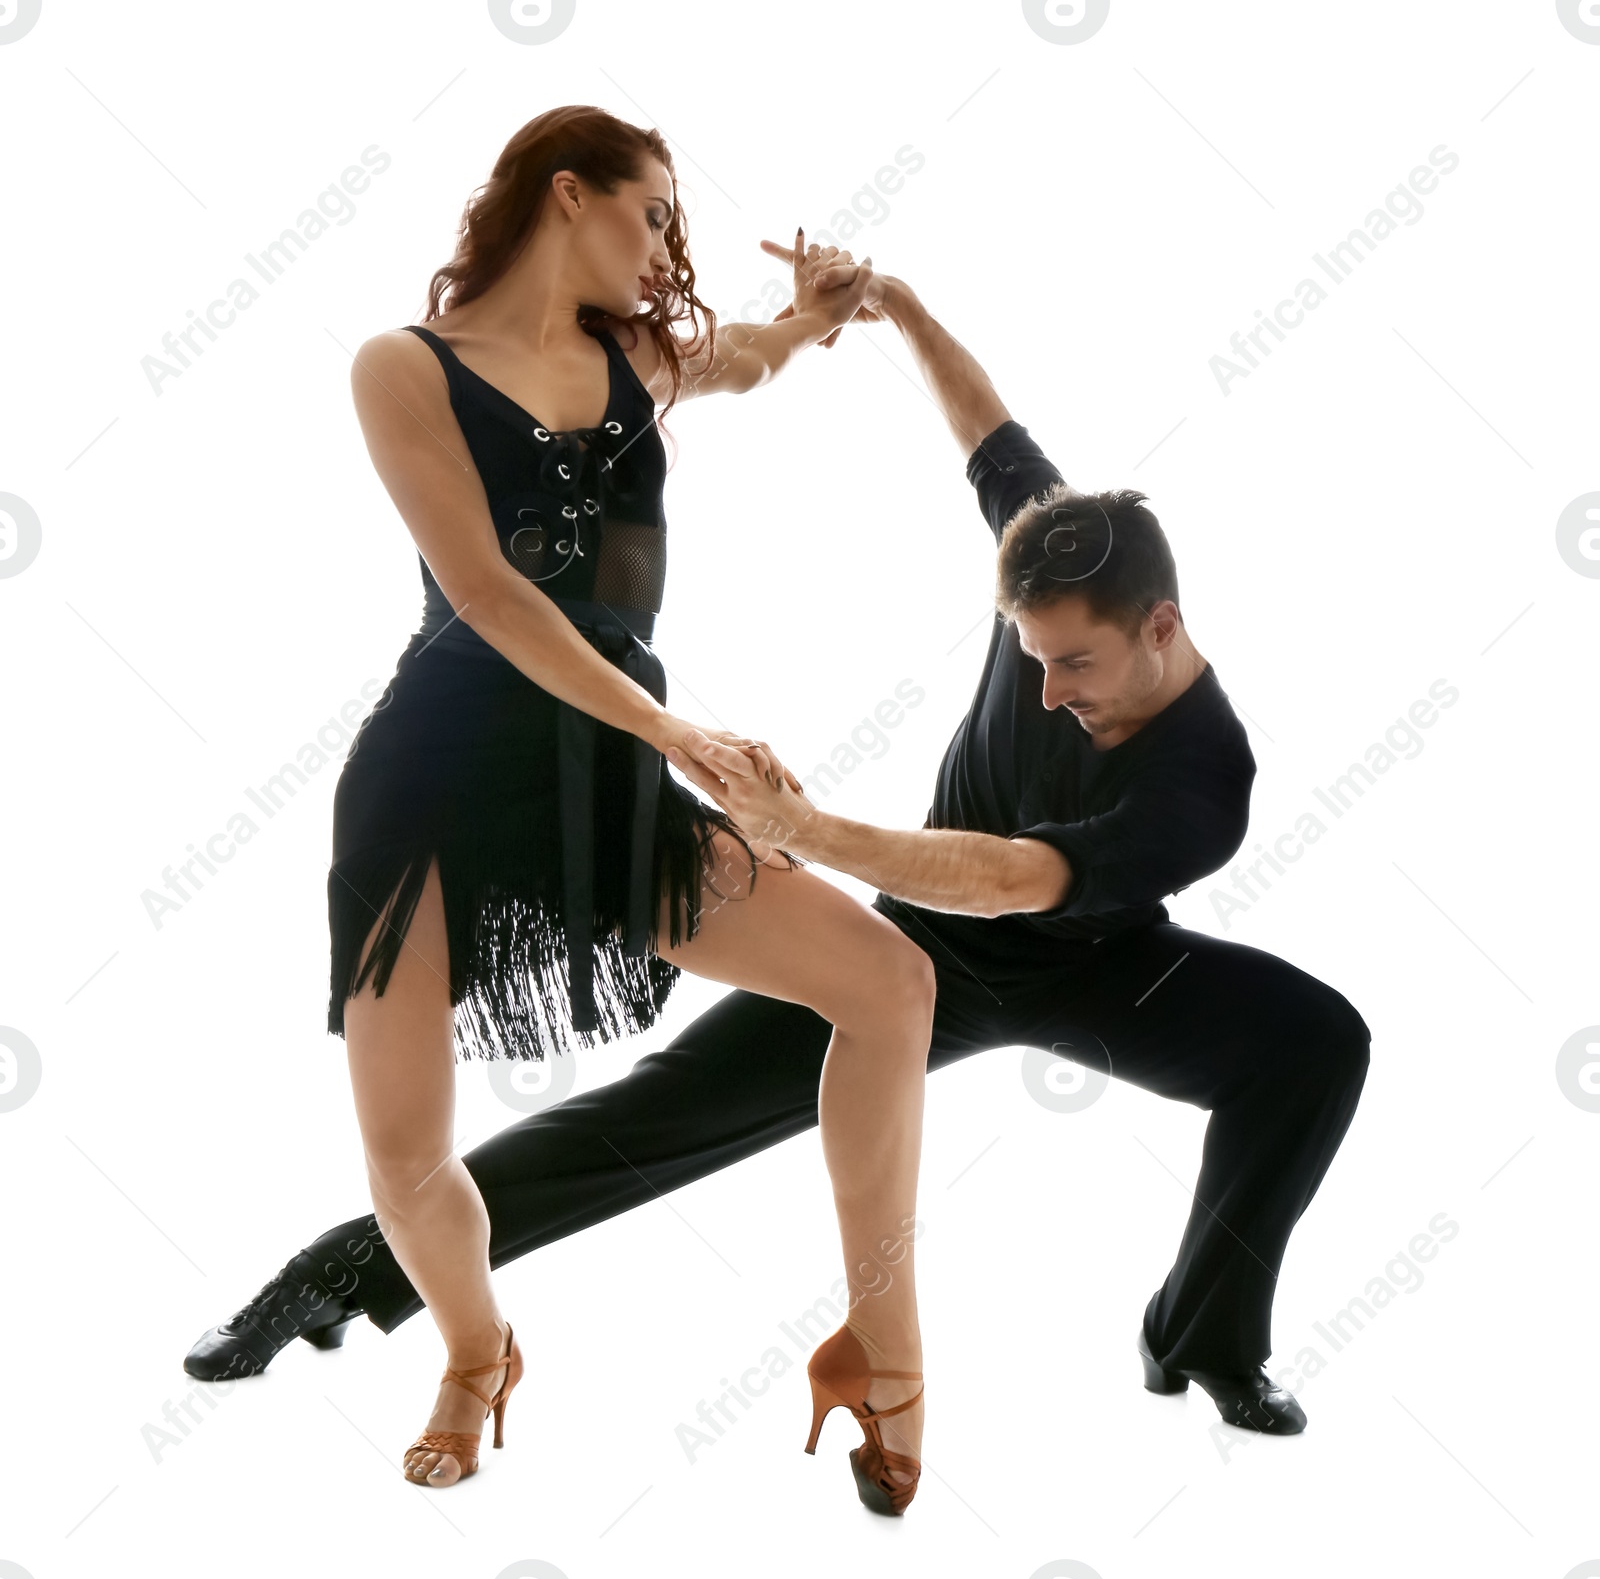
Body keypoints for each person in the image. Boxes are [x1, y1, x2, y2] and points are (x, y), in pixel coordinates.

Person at [187, 244, 1372, 1453]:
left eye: (1076, 667)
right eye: (1031, 658)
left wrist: (804, 832)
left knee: (1315, 1046)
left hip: (1096, 961)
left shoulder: (1208, 777)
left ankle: (1205, 1340)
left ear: (1160, 628)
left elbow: (1016, 879)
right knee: (648, 1123)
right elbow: (983, 423)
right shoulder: (1065, 559)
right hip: (929, 944)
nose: (1048, 688)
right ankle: (343, 1274)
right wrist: (901, 306)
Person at [282, 105, 937, 1508]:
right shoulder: (401, 368)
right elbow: (488, 592)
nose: (663, 252)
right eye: (650, 216)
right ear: (567, 195)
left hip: (608, 787)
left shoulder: (640, 360)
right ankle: (475, 1349)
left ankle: (883, 1347)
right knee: (404, 1160)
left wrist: (811, 315)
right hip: (438, 783)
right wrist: (672, 725)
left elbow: (748, 359)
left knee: (889, 982)